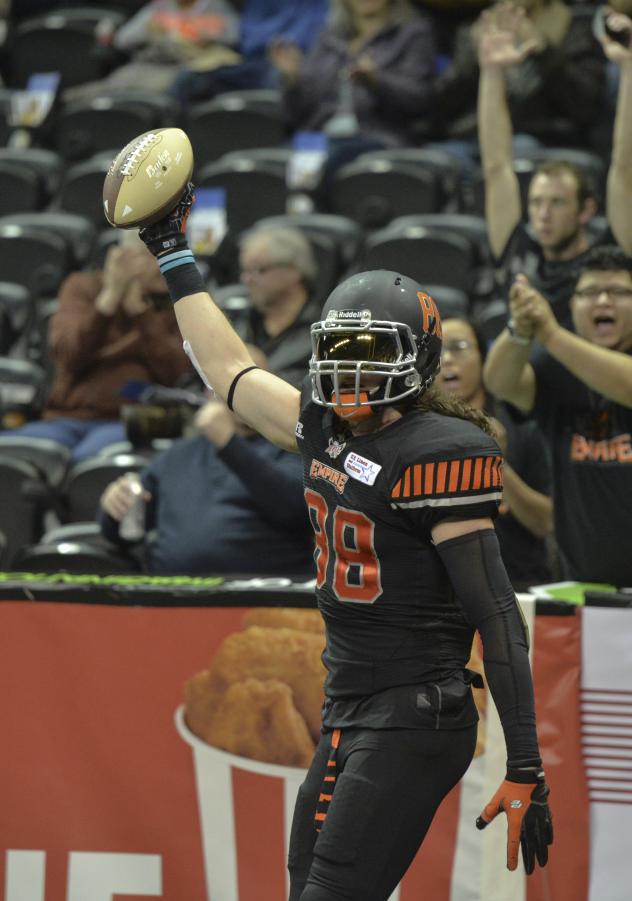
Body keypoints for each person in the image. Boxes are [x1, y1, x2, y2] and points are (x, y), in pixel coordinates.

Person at [129, 184, 553, 899]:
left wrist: (527, 763)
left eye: (370, 354)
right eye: (340, 353)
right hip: (352, 706)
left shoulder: (441, 448)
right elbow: (228, 369)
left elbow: (497, 615)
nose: (350, 372)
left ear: (414, 358)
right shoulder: (325, 424)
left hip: (418, 710)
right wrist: (173, 251)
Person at [483, 244, 632, 587]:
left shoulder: (558, 345)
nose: (603, 301)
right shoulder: (557, 369)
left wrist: (550, 334)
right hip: (582, 587)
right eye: (590, 292)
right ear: (574, 305)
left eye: (619, 292)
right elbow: (500, 382)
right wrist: (520, 328)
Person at [478, 2, 632, 325]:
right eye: (536, 203)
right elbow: (496, 167)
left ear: (587, 210)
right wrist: (492, 72)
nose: (543, 214)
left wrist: (629, 70)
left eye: (557, 202)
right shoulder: (519, 252)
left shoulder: (611, 258)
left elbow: (624, 167)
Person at [99, 356, 314, 576]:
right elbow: (123, 533)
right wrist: (115, 508)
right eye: (229, 383)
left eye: (251, 383)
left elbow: (297, 510)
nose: (238, 394)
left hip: (265, 597)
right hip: (173, 598)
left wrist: (229, 443)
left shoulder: (291, 447)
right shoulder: (178, 455)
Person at [2, 233, 192, 462]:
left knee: (90, 460)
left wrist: (139, 311)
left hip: (130, 421)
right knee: (11, 453)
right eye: (151, 257)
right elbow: (68, 354)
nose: (161, 266)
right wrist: (109, 299)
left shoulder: (175, 301)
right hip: (65, 418)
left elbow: (176, 371)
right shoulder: (82, 287)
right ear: (123, 257)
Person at [435, 315, 553, 589]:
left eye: (459, 346)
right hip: (441, 590)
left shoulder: (523, 427)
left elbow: (545, 523)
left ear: (484, 356)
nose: (447, 360)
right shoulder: (414, 434)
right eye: (438, 350)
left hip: (517, 586)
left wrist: (498, 463)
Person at [268, 0, 436, 191]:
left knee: (322, 163)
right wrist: (293, 80)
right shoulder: (329, 39)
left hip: (377, 138)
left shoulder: (412, 34)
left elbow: (418, 100)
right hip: (320, 137)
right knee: (269, 167)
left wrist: (376, 81)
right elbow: (296, 116)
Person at [429, 0, 605, 173]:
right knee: (433, 162)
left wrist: (543, 50)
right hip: (472, 138)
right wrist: (473, 59)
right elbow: (439, 107)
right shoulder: (478, 29)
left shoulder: (574, 28)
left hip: (540, 138)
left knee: (518, 151)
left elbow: (586, 105)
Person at [63, 0, 240, 102]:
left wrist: (195, 30)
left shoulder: (214, 6)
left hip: (184, 69)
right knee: (75, 98)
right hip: (143, 65)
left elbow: (234, 37)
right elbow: (122, 40)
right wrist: (154, 26)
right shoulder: (160, 7)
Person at [170, 0, 328, 108]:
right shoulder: (257, 4)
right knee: (189, 79)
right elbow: (246, 39)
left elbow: (309, 38)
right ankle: (178, 150)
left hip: (291, 63)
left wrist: (286, 51)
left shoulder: (314, 4)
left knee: (278, 78)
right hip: (251, 62)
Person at [231, 224, 321, 388]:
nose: (247, 280)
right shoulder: (238, 321)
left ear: (295, 270)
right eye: (245, 271)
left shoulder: (322, 331)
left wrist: (263, 377)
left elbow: (317, 393)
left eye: (258, 270)